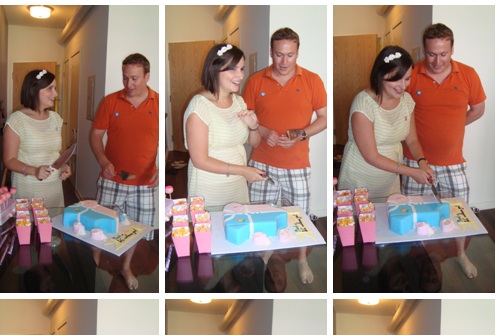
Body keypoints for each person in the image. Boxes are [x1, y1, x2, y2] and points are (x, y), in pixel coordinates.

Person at [242, 28, 327, 214]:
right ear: (271, 52)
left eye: (290, 55)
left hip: (297, 165)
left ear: (297, 53)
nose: (284, 62)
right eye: (279, 55)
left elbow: (324, 118)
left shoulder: (312, 80)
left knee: (299, 220)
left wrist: (302, 134)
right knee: (260, 219)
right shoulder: (255, 81)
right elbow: (245, 119)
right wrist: (264, 132)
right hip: (261, 164)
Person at [402, 23, 486, 203]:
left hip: (453, 162)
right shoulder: (411, 75)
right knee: (416, 214)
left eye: (443, 54)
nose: (437, 61)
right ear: (424, 50)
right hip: (416, 162)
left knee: (459, 214)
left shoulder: (468, 74)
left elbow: (478, 109)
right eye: (431, 54)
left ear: (452, 49)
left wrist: (453, 124)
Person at [338, 45, 434, 199]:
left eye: (407, 78)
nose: (403, 86)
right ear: (381, 74)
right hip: (360, 180)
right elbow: (371, 156)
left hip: (389, 181)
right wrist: (411, 172)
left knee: (389, 211)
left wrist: (422, 162)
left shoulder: (407, 101)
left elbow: (412, 140)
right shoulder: (364, 104)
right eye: (396, 79)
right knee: (361, 214)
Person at [184, 44, 266, 208]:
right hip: (209, 190)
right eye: (233, 69)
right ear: (215, 70)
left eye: (242, 69)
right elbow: (200, 160)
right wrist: (243, 170)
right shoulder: (200, 107)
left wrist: (253, 126)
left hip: (237, 187)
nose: (240, 75)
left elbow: (255, 142)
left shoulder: (238, 102)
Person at [89, 53, 159, 237]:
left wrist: (163, 168)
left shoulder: (158, 103)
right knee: (101, 230)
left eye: (134, 78)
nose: (128, 84)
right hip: (111, 179)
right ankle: (101, 256)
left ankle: (127, 258)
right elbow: (96, 135)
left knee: (137, 234)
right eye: (125, 78)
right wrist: (103, 161)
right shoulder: (110, 101)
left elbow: (164, 142)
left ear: (147, 76)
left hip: (145, 183)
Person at [3, 70, 71, 207]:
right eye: (50, 88)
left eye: (55, 88)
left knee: (53, 220)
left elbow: (55, 152)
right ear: (34, 90)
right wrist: (34, 171)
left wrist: (63, 166)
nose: (55, 93)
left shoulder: (55, 119)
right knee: (30, 221)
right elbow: (9, 160)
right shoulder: (17, 120)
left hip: (54, 189)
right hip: (28, 190)